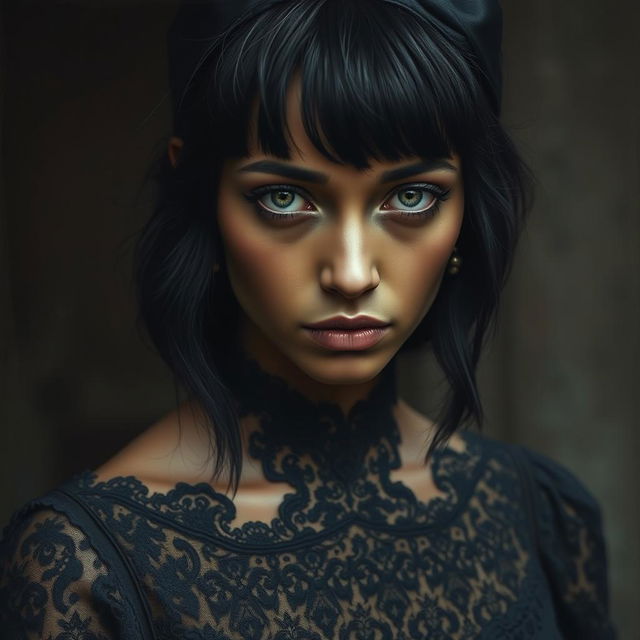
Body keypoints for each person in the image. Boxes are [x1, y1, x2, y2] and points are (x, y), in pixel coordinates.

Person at [0, 0, 618, 638]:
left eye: (411, 196)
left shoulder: (540, 515)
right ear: (203, 198)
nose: (351, 274)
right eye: (284, 198)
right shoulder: (83, 564)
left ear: (466, 206)